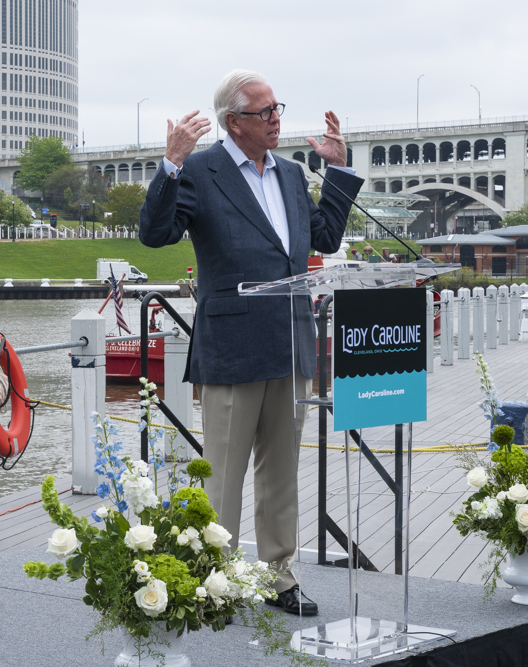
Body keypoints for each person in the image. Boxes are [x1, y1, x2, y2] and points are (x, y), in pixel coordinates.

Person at [139, 69, 363, 616]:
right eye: (264, 112)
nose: (275, 119)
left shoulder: (291, 174)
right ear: (233, 122)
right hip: (233, 346)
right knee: (222, 475)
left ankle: (279, 578)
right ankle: (212, 580)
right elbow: (155, 233)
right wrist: (170, 164)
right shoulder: (199, 171)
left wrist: (337, 170)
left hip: (291, 342)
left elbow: (325, 237)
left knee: (281, 473)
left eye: (277, 108)